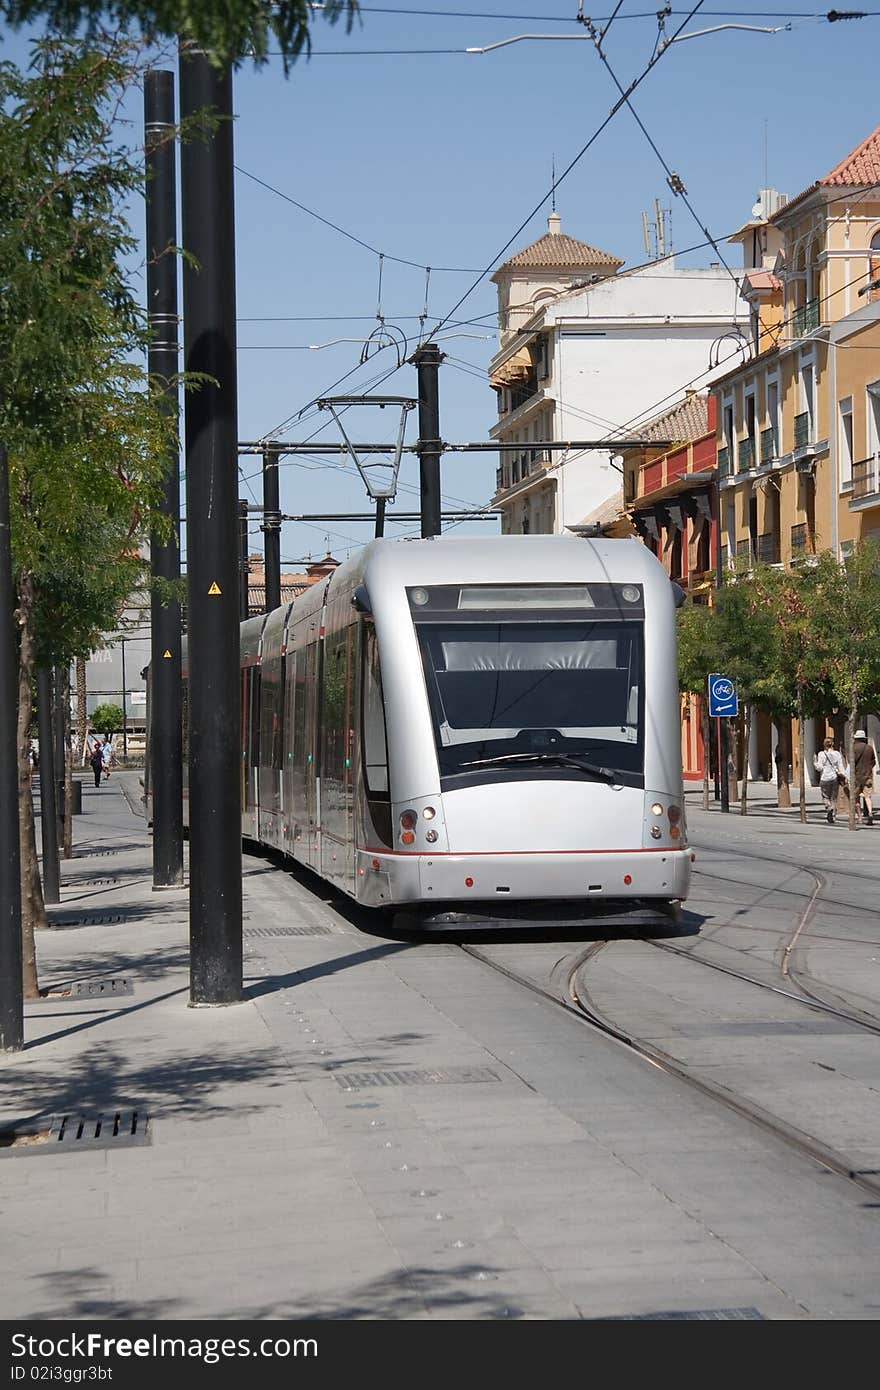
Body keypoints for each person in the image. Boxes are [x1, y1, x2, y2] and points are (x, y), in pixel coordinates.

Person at [814, 737, 847, 824]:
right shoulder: (837, 754)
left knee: (825, 797)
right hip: (834, 778)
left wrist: (815, 762)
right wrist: (844, 776)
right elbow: (841, 767)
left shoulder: (821, 754)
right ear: (832, 744)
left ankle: (829, 808)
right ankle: (833, 815)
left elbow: (819, 768)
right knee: (833, 797)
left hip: (824, 778)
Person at [852, 730, 876, 826]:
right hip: (868, 776)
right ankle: (870, 813)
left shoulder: (853, 748)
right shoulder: (869, 748)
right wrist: (869, 769)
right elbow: (873, 761)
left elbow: (851, 762)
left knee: (856, 798)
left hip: (857, 777)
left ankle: (860, 817)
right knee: (868, 797)